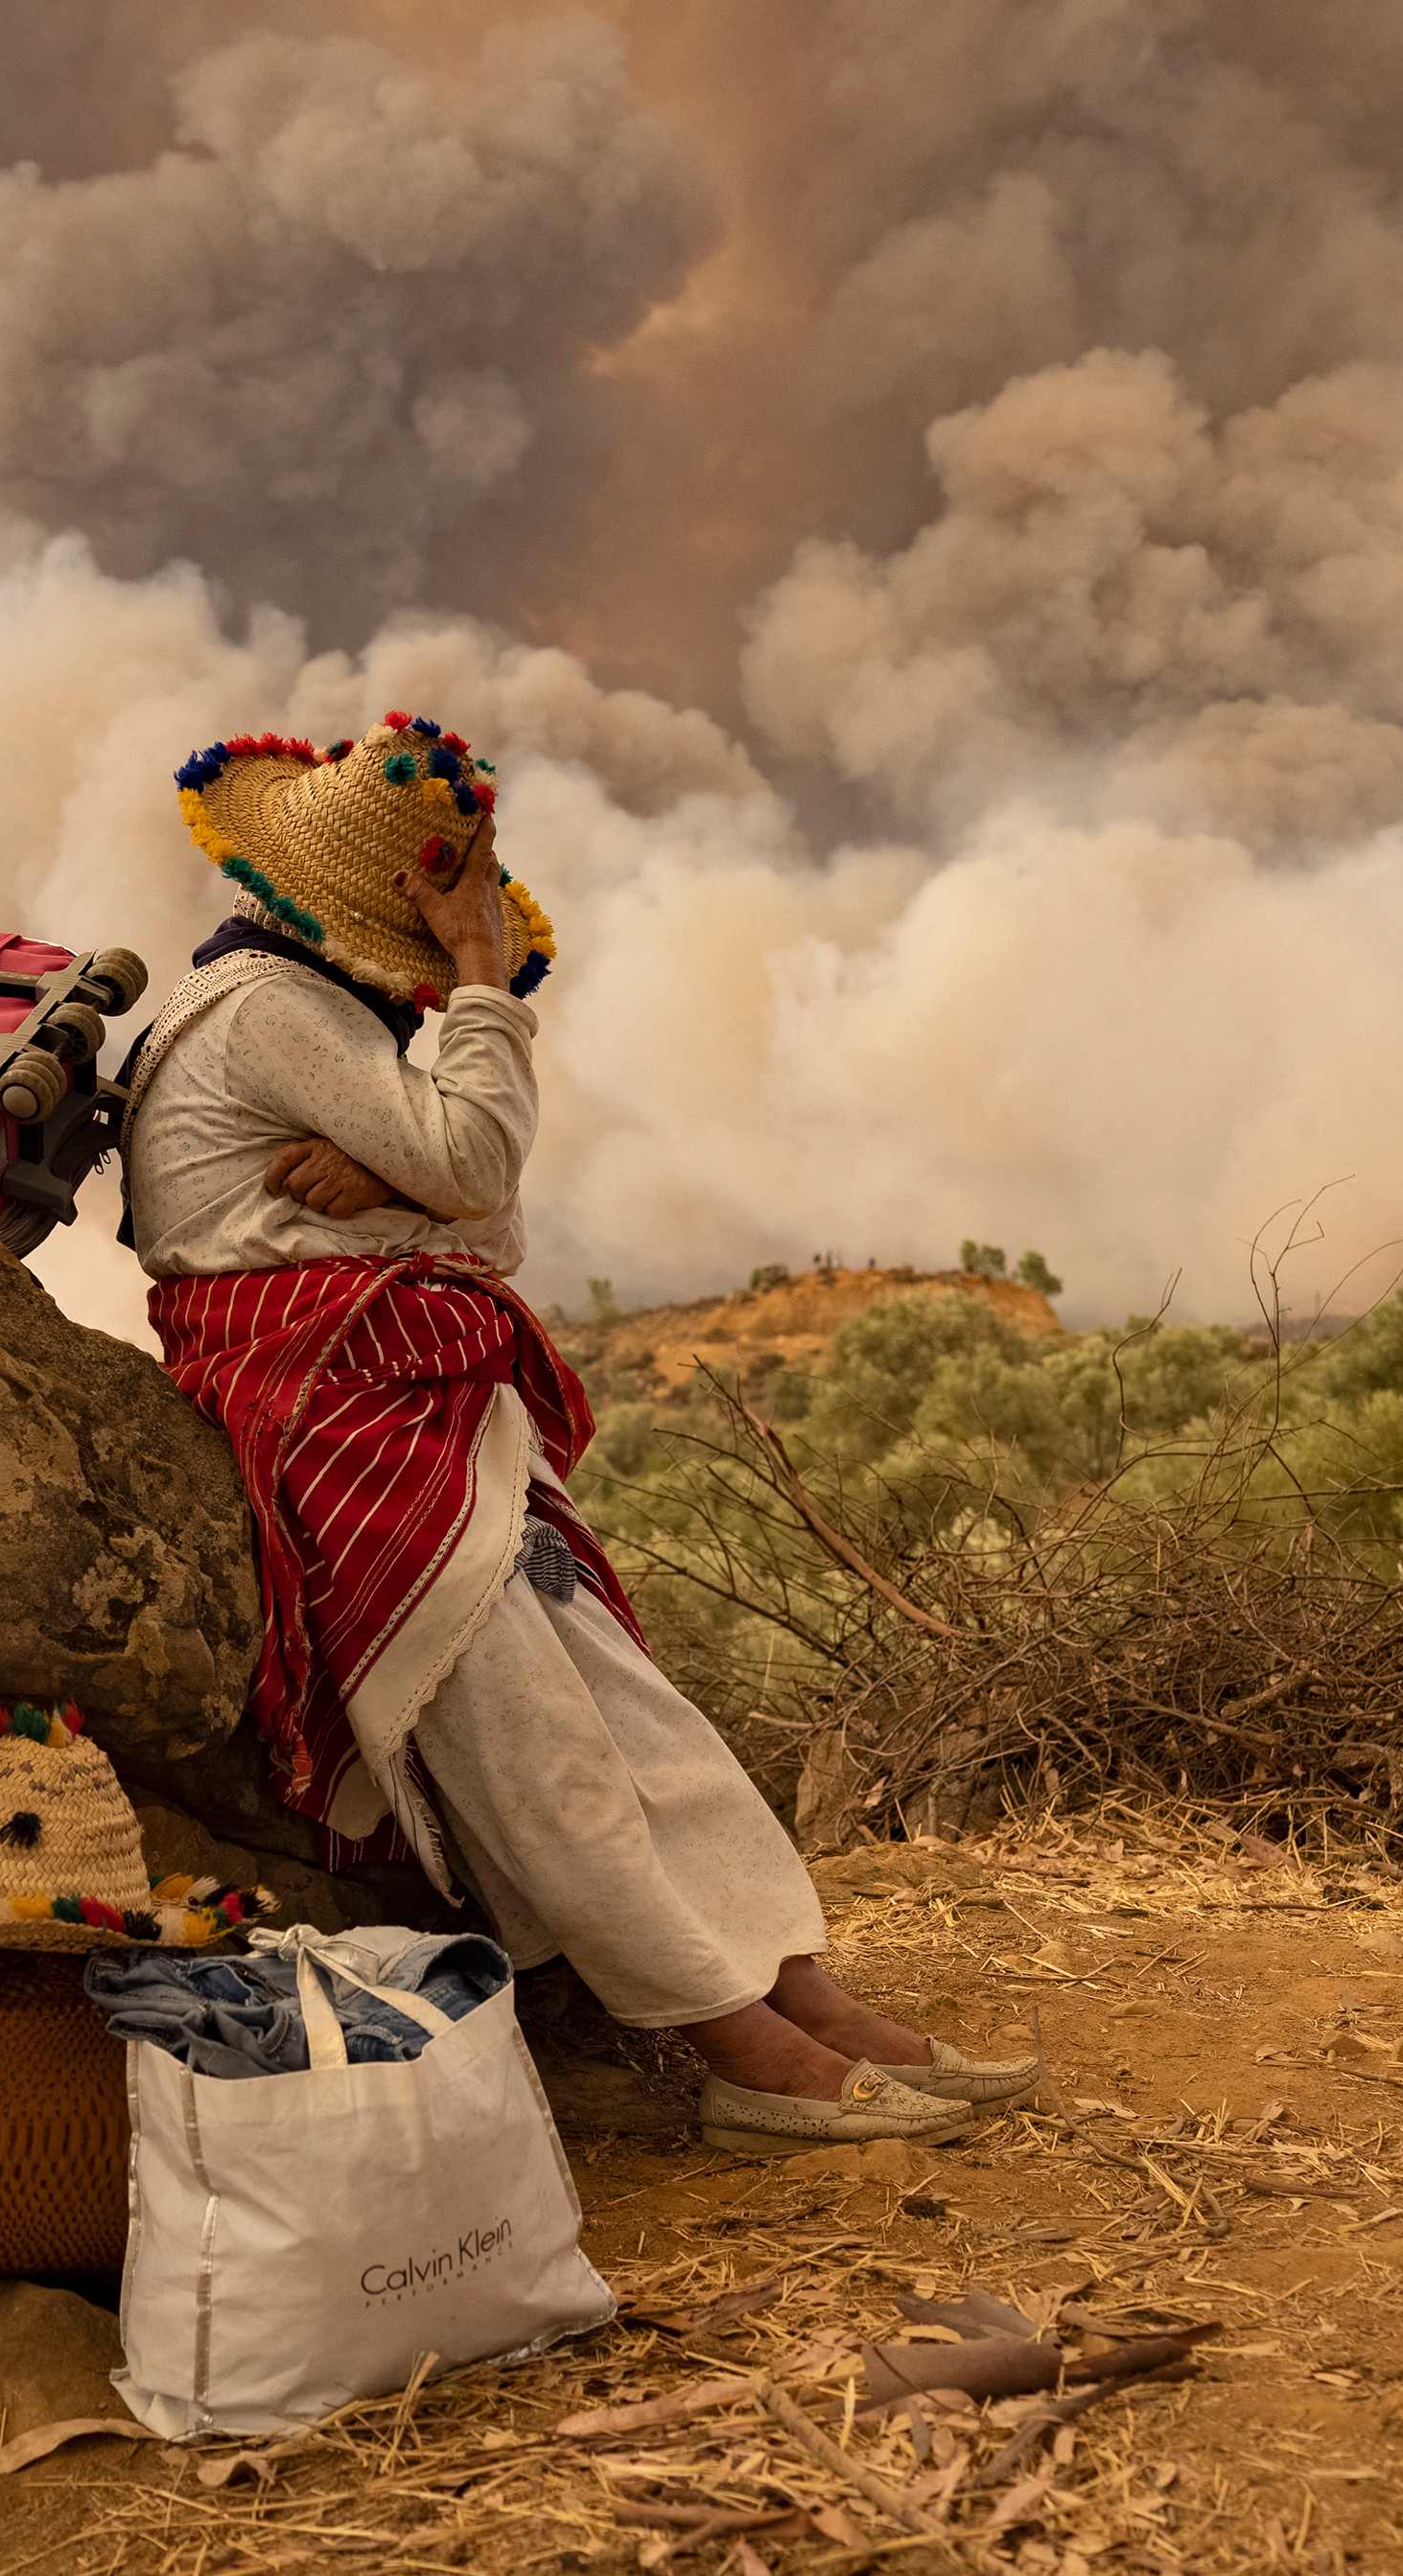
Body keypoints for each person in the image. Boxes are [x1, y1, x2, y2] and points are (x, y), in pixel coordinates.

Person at [123, 715, 1040, 2152]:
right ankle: (736, 2046)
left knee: (632, 1711)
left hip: (408, 1395)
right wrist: (482, 985)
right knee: (532, 1738)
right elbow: (482, 1169)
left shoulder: (314, 1017)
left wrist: (401, 1173)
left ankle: (803, 1993)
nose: (441, 969)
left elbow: (487, 1214)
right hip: (336, 1416)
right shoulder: (273, 1015)